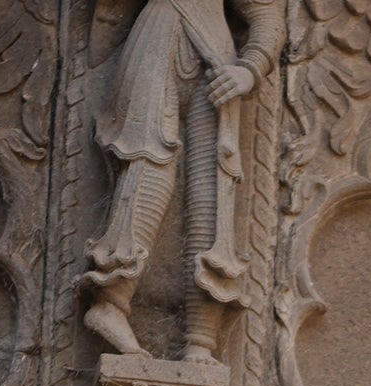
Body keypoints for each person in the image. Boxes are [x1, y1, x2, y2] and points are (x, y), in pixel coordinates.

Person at [82, 0, 287, 361]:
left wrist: (250, 68)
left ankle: (200, 337)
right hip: (157, 40)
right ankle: (111, 299)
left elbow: (265, 12)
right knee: (149, 165)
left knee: (214, 186)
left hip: (217, 57)